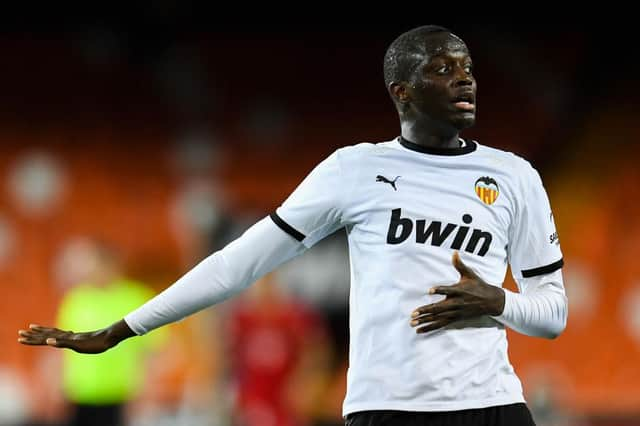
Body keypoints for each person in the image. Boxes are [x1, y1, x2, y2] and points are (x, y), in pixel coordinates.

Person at [18, 25, 568, 426]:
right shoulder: (354, 169)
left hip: (492, 406)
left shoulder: (514, 177)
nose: (464, 79)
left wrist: (498, 302)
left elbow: (552, 315)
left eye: (467, 67)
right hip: (387, 409)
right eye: (442, 68)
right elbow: (239, 263)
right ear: (401, 90)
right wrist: (125, 328)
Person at [53, 240, 165, 426]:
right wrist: (56, 385)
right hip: (79, 394)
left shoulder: (135, 297)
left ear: (110, 264)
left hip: (120, 396)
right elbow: (62, 348)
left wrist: (147, 390)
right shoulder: (76, 299)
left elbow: (156, 350)